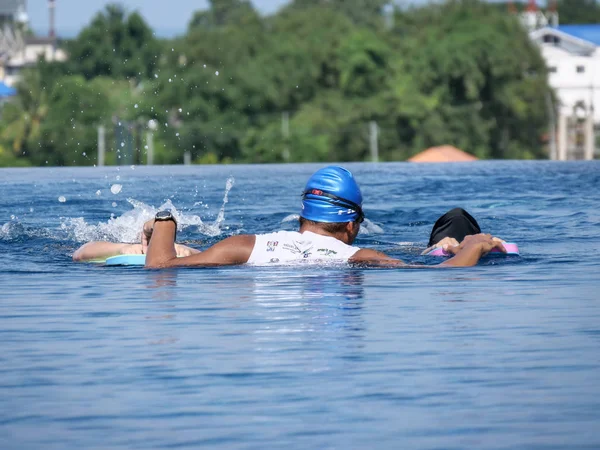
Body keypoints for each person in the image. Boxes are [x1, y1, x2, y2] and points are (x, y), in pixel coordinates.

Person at [73, 166, 505, 268]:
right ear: (351, 225)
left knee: (182, 250)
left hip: (237, 260)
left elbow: (160, 268)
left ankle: (146, 230)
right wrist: (474, 244)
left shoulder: (246, 243)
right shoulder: (357, 257)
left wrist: (164, 221)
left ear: (303, 215)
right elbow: (448, 275)